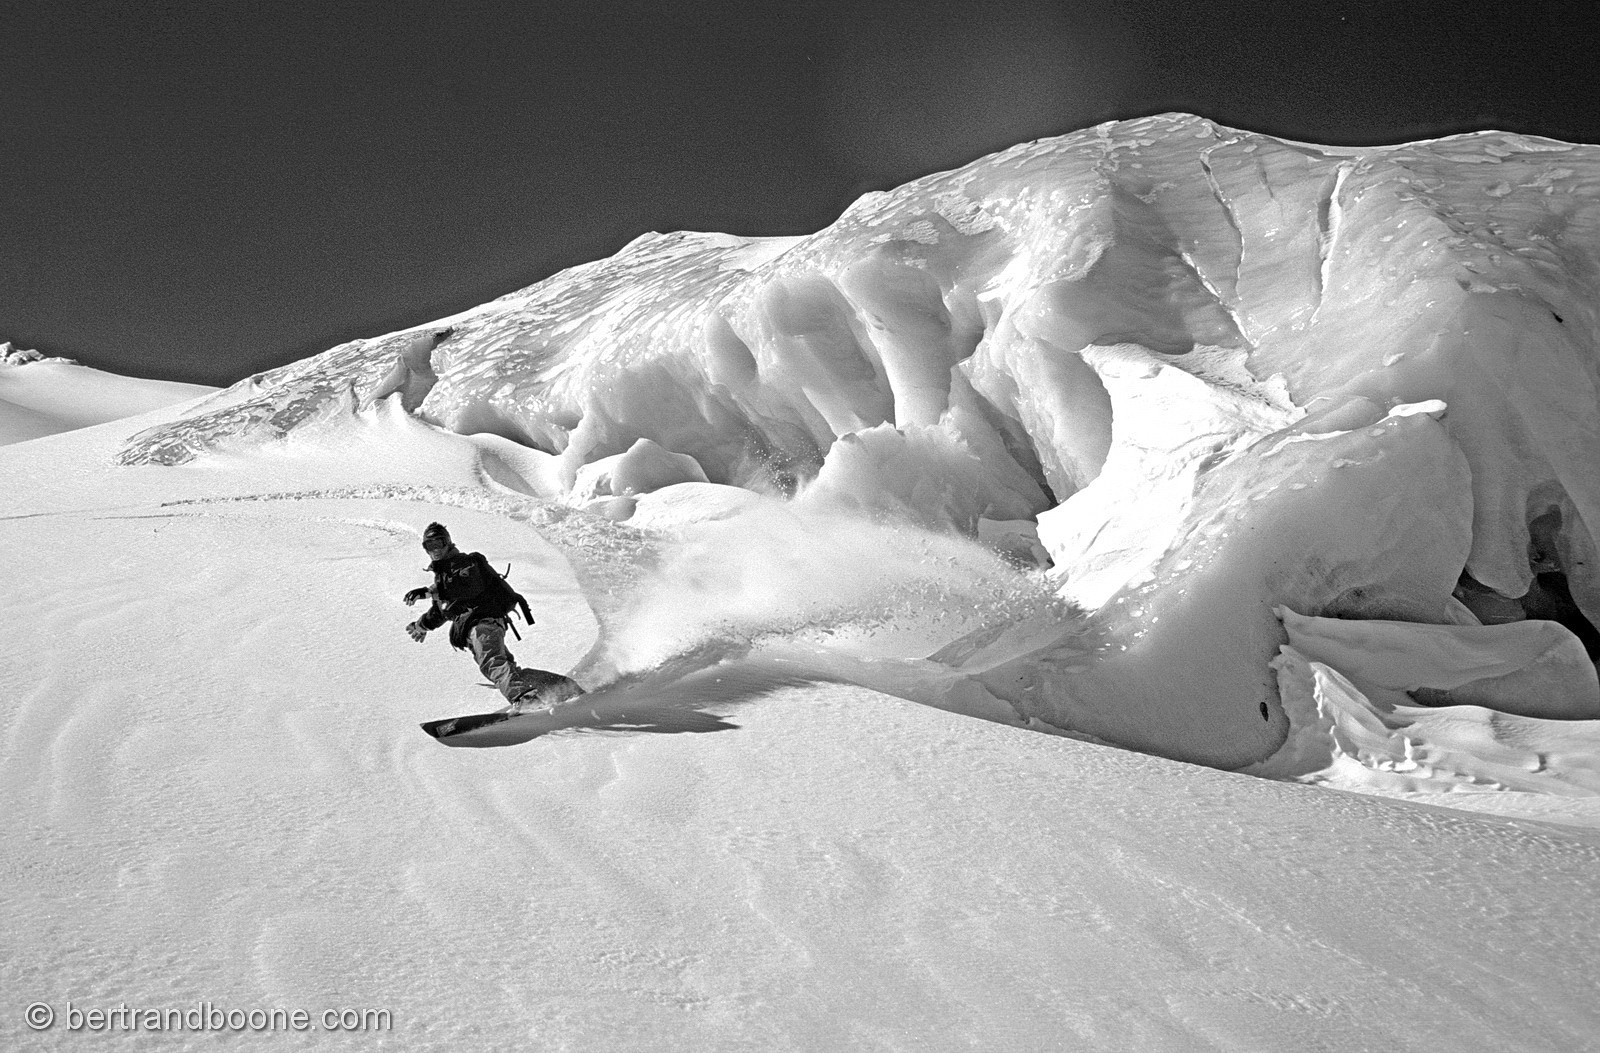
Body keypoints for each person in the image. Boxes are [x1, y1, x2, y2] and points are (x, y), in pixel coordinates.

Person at [403, 522, 583, 710]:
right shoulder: (443, 577)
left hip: (482, 623)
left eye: (438, 543)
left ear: (447, 542)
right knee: (506, 671)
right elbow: (441, 611)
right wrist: (421, 625)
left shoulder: (465, 563)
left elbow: (468, 587)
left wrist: (430, 591)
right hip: (478, 628)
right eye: (429, 546)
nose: (435, 550)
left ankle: (525, 699)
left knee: (492, 664)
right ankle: (562, 687)